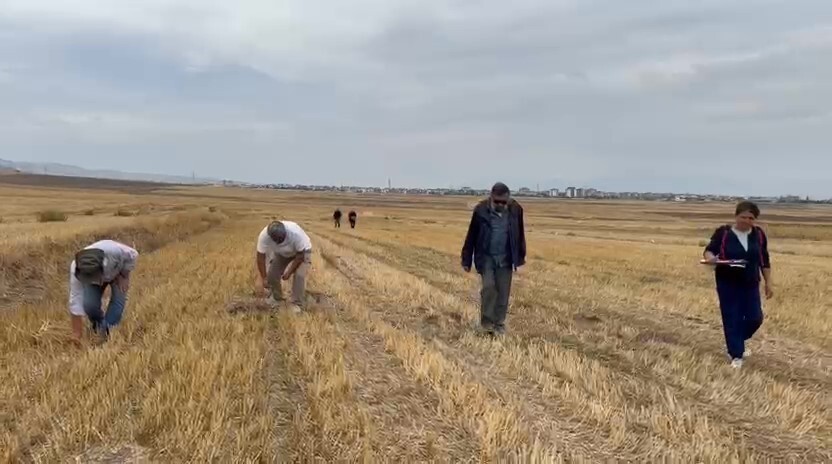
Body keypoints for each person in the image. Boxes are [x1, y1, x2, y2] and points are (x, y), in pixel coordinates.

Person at [703, 201, 773, 369]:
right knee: (732, 316)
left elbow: (764, 260)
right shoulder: (724, 233)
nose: (747, 221)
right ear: (736, 216)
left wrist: (768, 283)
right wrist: (710, 258)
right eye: (743, 217)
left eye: (751, 218)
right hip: (727, 281)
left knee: (755, 318)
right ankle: (736, 354)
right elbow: (709, 250)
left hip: (750, 282)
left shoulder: (759, 235)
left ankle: (736, 340)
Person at [461, 182, 526, 336]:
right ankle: (486, 324)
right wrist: (466, 259)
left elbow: (520, 234)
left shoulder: (516, 210)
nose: (499, 204)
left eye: (503, 202)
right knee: (489, 288)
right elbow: (471, 235)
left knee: (503, 292)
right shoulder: (481, 211)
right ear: (491, 197)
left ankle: (499, 324)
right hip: (486, 256)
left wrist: (520, 257)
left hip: (506, 256)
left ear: (508, 199)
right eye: (496, 201)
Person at [68, 239, 139, 342]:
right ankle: (98, 326)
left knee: (118, 300)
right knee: (89, 305)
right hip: (104, 270)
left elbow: (133, 254)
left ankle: (107, 331)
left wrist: (124, 274)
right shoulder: (76, 268)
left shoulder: (114, 252)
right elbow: (75, 299)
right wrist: (76, 333)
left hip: (117, 271)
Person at [255, 220, 313, 311]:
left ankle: (297, 303)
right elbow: (260, 258)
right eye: (276, 240)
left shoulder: (295, 233)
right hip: (282, 253)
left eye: (281, 239)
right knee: (272, 275)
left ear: (285, 233)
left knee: (299, 275)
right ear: (271, 237)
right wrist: (264, 277)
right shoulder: (264, 236)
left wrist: (289, 272)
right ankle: (277, 298)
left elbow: (300, 256)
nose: (279, 241)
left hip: (303, 251)